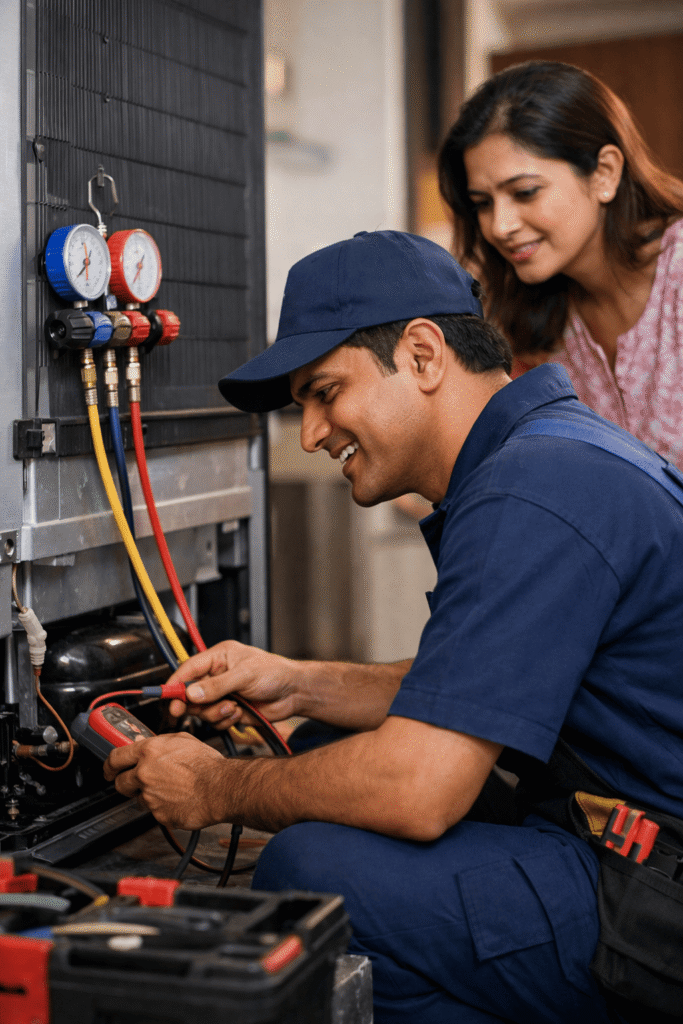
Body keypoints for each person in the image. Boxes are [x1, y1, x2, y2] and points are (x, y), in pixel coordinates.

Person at [104, 230, 683, 1024]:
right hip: (639, 855)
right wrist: (305, 683)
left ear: (420, 354)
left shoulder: (530, 491)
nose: (310, 433)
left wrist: (215, 786)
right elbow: (494, 681)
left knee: (323, 872)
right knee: (318, 752)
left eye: (324, 392)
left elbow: (420, 790)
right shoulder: (550, 454)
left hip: (656, 905)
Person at [438, 60, 683, 469]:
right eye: (482, 203)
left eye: (525, 192)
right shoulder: (535, 317)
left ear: (604, 172)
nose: (500, 226)